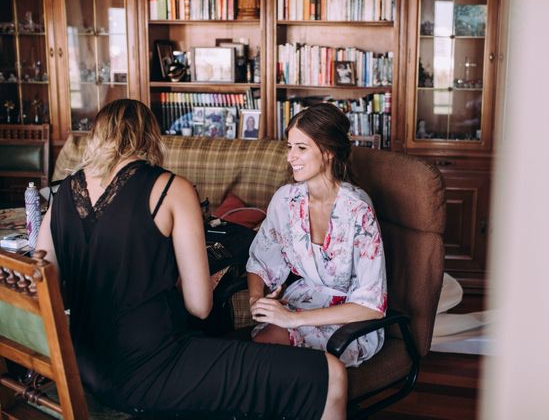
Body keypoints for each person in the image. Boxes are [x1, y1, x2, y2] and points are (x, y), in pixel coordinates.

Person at [36, 99, 346, 419]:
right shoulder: (171, 187)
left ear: (97, 136)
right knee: (330, 373)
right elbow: (200, 306)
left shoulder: (61, 193)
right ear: (151, 136)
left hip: (85, 368)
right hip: (153, 372)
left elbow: (44, 286)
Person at [247, 103, 387, 367]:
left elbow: (372, 306)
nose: (290, 157)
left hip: (349, 321)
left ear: (328, 152)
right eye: (290, 147)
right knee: (260, 355)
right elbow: (261, 259)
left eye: (301, 148)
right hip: (300, 303)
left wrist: (293, 320)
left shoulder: (357, 210)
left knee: (273, 363)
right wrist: (258, 300)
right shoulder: (286, 200)